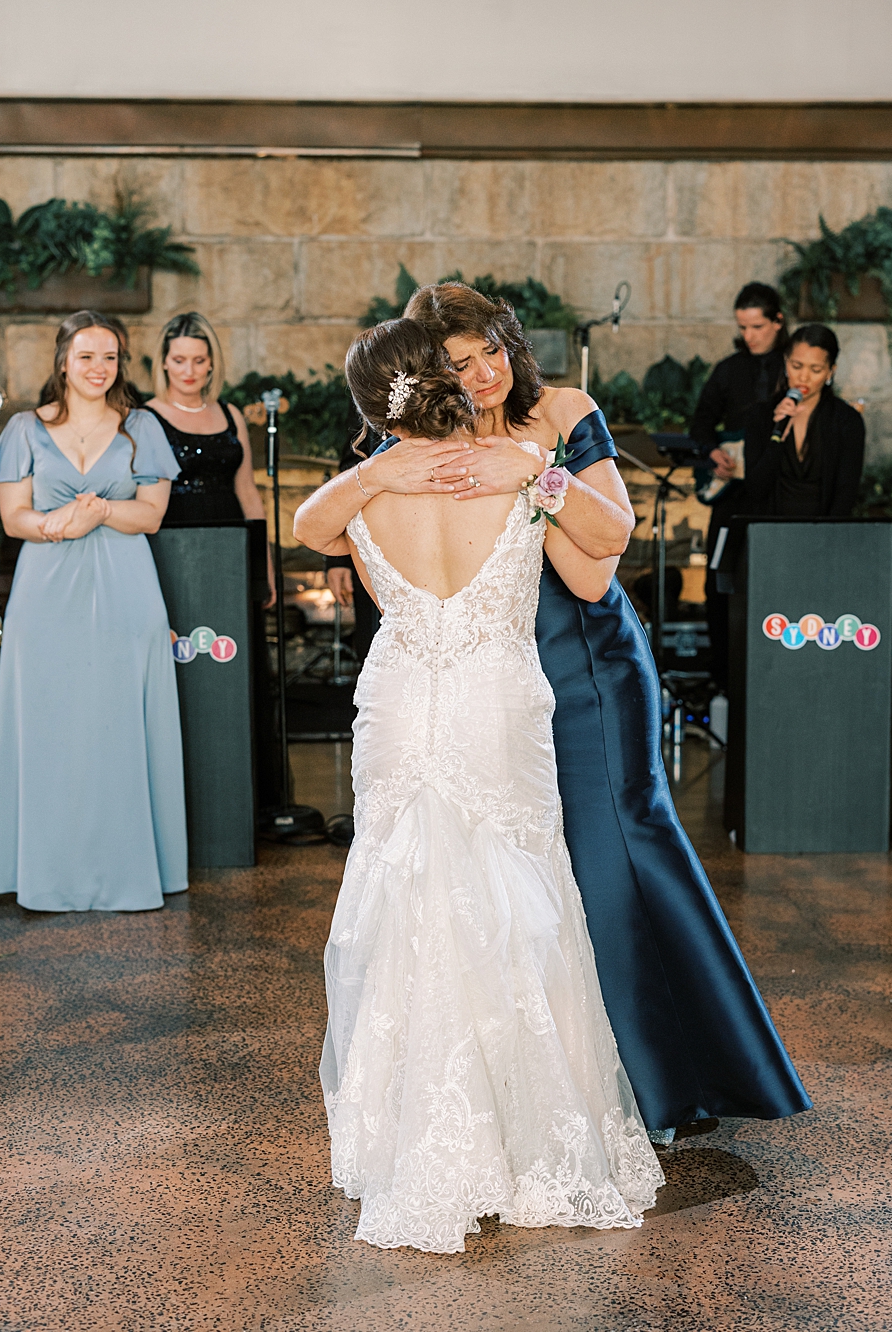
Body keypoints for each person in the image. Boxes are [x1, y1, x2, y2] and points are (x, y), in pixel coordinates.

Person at [296, 282, 810, 1136]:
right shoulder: (427, 455)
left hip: (586, 666)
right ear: (431, 374)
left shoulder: (562, 412)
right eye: (459, 364)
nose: (485, 373)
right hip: (484, 678)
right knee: (516, 882)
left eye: (492, 350)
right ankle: (544, 1087)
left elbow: (600, 565)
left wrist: (539, 473)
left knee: (611, 859)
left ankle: (660, 1082)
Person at [315, 318, 662, 1253]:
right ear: (440, 378)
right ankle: (526, 1135)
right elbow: (610, 542)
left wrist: (371, 473)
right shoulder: (515, 460)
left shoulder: (365, 487)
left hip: (398, 697)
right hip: (495, 697)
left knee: (405, 896)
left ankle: (412, 1138)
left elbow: (339, 554)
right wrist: (540, 476)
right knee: (518, 900)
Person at [0, 311, 186, 912]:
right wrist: (58, 525)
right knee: (48, 722)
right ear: (62, 363)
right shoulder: (24, 429)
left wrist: (101, 513)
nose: (99, 369)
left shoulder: (142, 428)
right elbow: (12, 519)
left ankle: (126, 870)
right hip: (46, 589)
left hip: (126, 586)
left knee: (117, 720)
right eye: (87, 357)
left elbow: (151, 514)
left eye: (109, 358)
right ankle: (46, 870)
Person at [691, 283, 788, 691]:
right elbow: (699, 425)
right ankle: (724, 676)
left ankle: (775, 677)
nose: (749, 335)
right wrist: (714, 453)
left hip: (779, 496)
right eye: (743, 327)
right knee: (720, 580)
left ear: (778, 322)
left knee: (774, 582)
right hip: (732, 496)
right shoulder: (729, 370)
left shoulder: (793, 367)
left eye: (758, 326)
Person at [142, 313, 265, 531]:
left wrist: (263, 560)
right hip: (174, 541)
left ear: (211, 363)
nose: (189, 372)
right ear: (163, 362)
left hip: (232, 536)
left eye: (199, 361)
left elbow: (247, 492)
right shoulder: (145, 419)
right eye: (179, 361)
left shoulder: (231, 414)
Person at [740, 324, 865, 519]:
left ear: (830, 372)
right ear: (786, 363)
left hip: (823, 535)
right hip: (770, 532)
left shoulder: (847, 421)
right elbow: (755, 489)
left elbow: (846, 493)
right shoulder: (761, 415)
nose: (803, 377)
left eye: (815, 370)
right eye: (796, 366)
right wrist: (777, 437)